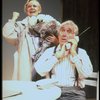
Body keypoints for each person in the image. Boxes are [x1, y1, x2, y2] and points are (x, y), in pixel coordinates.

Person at [34, 20, 93, 100]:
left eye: (69, 31)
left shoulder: (81, 52)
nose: (64, 34)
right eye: (62, 30)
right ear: (58, 34)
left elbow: (86, 73)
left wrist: (73, 54)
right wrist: (56, 57)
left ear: (74, 37)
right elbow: (40, 71)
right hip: (52, 91)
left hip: (74, 93)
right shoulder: (50, 51)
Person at [3, 0, 60, 81]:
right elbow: (7, 34)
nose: (32, 8)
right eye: (29, 6)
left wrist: (56, 41)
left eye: (34, 6)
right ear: (26, 10)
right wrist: (13, 19)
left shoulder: (48, 23)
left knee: (43, 85)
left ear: (39, 10)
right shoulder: (21, 25)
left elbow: (61, 36)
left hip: (44, 58)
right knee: (27, 84)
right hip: (27, 59)